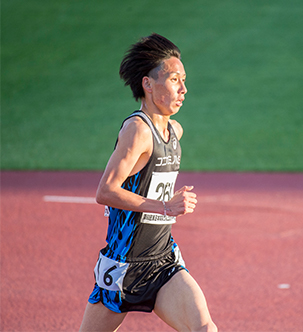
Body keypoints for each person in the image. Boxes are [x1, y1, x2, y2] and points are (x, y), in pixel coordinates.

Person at [79, 33, 217, 332]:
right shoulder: (137, 131)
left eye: (183, 80)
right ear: (148, 84)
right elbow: (105, 191)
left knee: (205, 329)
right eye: (174, 80)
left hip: (163, 262)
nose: (184, 89)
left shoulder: (174, 131)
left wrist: (165, 208)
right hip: (123, 268)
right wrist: (166, 207)